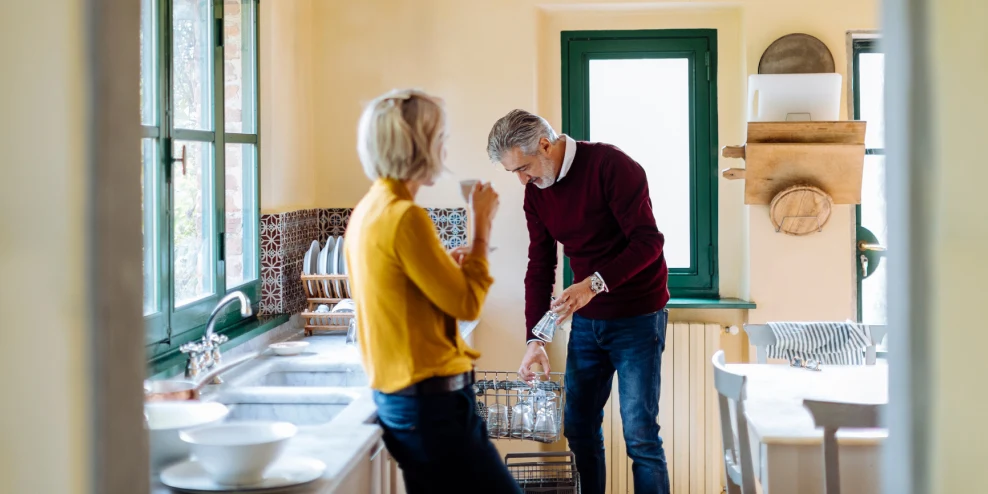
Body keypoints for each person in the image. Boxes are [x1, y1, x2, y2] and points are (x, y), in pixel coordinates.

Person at [345, 89, 520, 494]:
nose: (444, 149)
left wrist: (448, 264)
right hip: (432, 408)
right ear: (418, 146)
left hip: (404, 403)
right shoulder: (406, 217)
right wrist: (481, 228)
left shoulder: (369, 210)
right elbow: (467, 302)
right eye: (439, 138)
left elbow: (406, 293)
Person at [487, 109, 671, 494]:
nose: (523, 180)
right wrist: (534, 340)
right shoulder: (536, 194)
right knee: (579, 428)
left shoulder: (611, 166)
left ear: (544, 144)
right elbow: (540, 266)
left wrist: (593, 284)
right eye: (514, 174)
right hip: (588, 322)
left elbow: (649, 242)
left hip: (638, 315)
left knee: (640, 434)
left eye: (524, 168)